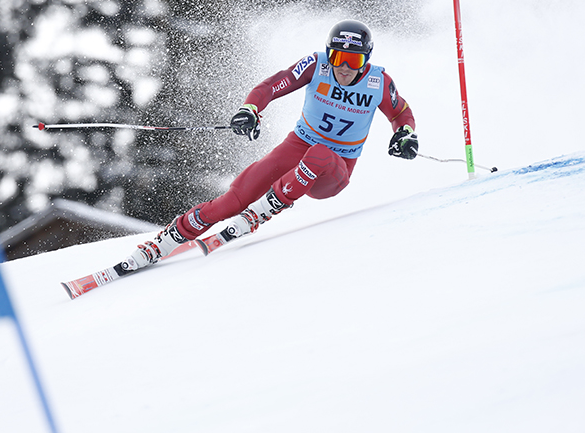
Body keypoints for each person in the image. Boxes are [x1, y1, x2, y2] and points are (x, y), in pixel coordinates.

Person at [117, 19, 418, 271]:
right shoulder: (317, 65)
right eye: (339, 58)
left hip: (334, 171)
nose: (344, 67)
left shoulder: (378, 82)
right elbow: (272, 85)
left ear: (367, 59)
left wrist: (405, 133)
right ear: (330, 54)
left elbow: (400, 112)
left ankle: (263, 212)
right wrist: (250, 109)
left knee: (320, 154)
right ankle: (165, 240)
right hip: (297, 147)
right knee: (233, 200)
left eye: (354, 60)